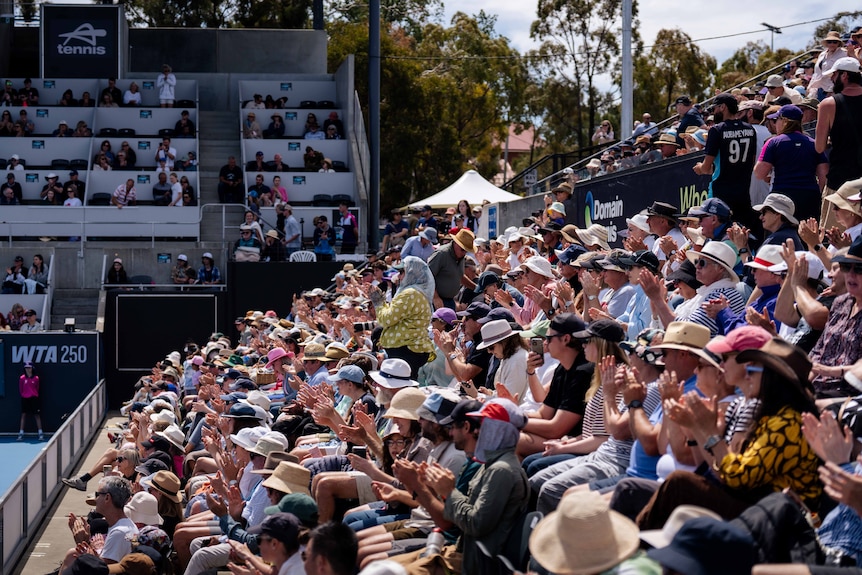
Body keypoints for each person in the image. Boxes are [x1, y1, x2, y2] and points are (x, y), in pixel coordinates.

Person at [637, 337, 819, 529]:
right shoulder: (771, 415)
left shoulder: (787, 422)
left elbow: (736, 477)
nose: (747, 376)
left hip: (777, 520)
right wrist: (699, 430)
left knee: (679, 484)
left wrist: (707, 431)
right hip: (757, 505)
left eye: (752, 371)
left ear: (772, 378)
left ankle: (634, 548)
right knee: (634, 489)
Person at [693, 94, 758, 232]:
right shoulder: (750, 129)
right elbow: (750, 161)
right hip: (744, 192)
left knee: (718, 234)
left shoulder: (717, 130)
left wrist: (700, 168)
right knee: (743, 233)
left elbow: (706, 167)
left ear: (723, 107)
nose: (713, 112)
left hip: (721, 193)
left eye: (715, 108)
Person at [754, 105, 829, 223]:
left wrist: (768, 177)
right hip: (809, 196)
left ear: (784, 121)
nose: (775, 123)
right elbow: (824, 176)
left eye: (776, 120)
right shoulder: (813, 143)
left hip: (781, 197)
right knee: (807, 237)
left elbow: (759, 173)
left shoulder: (773, 143)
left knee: (780, 236)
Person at [814, 56, 862, 229]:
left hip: (840, 182)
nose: (832, 79)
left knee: (835, 241)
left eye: (834, 75)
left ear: (844, 76)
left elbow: (819, 147)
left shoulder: (828, 104)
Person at [368, 256, 435, 377]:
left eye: (402, 272)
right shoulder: (416, 292)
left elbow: (386, 319)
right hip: (409, 349)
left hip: (406, 350)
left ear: (412, 273)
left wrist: (378, 303)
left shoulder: (410, 293)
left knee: (402, 389)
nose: (399, 276)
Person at [427, 228, 475, 310]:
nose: (464, 253)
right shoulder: (441, 254)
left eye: (466, 251)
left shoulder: (460, 256)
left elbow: (459, 276)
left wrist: (476, 288)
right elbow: (427, 275)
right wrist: (435, 297)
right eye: (463, 249)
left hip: (449, 301)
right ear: (456, 243)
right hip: (436, 301)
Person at [17, 362, 43, 440]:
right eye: (26, 368)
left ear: (32, 368)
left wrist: (33, 394)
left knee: (37, 415)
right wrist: (24, 395)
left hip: (34, 398)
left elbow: (37, 388)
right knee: (23, 415)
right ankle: (21, 433)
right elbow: (21, 389)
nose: (28, 369)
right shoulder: (22, 378)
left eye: (29, 367)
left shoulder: (36, 378)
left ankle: (40, 433)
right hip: (25, 399)